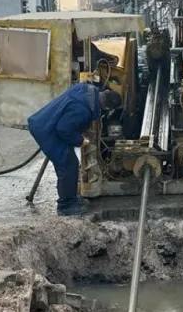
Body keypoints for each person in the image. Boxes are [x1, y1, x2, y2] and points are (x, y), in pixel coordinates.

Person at [27, 82, 122, 216]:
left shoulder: (86, 90)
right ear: (106, 107)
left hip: (46, 123)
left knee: (67, 163)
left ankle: (71, 199)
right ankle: (65, 206)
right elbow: (63, 129)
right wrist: (80, 141)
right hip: (46, 131)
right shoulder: (83, 110)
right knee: (67, 165)